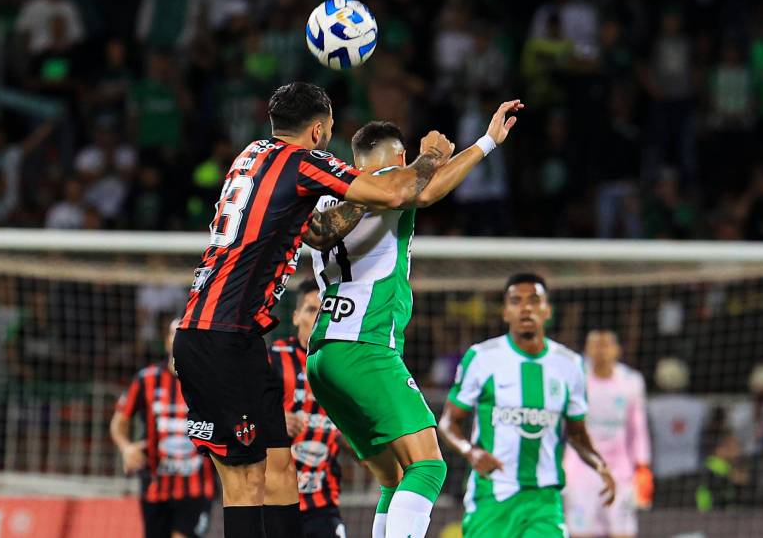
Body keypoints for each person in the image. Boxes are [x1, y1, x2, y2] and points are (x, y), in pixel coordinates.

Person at [173, 81, 454, 538]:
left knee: (281, 467)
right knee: (245, 481)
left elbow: (321, 230)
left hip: (237, 336)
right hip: (219, 334)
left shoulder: (250, 156)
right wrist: (429, 159)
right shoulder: (303, 161)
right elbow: (395, 193)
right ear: (320, 130)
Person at [305, 99, 523, 538]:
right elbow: (424, 190)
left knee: (394, 476)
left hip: (324, 353)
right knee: (427, 467)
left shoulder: (331, 200)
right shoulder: (387, 183)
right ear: (400, 159)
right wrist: (486, 142)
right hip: (366, 346)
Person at [438, 273, 616, 538]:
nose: (526, 307)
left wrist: (600, 464)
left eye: (534, 300)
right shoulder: (482, 358)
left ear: (547, 311)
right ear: (505, 312)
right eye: (516, 301)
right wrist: (470, 452)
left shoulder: (570, 365)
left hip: (544, 500)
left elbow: (577, 433)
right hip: (492, 496)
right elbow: (448, 421)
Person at [110, 319, 215, 538]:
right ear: (166, 341)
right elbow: (119, 423)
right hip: (155, 486)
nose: (178, 340)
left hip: (196, 487)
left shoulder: (209, 381)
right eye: (173, 334)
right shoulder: (147, 379)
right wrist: (127, 448)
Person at [267, 280, 346, 538]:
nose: (318, 318)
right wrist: (277, 419)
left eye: (324, 311)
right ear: (296, 316)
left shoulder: (343, 365)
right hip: (276, 500)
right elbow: (242, 415)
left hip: (322, 502)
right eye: (312, 310)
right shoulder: (274, 357)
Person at [563, 330, 652, 538]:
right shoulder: (575, 380)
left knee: (622, 532)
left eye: (606, 344)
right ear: (586, 350)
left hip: (619, 469)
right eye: (595, 344)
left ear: (617, 350)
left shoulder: (632, 381)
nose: (601, 350)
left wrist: (643, 466)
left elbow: (638, 427)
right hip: (580, 469)